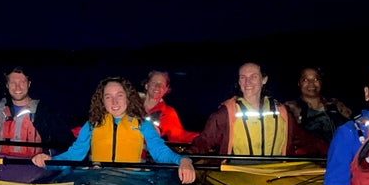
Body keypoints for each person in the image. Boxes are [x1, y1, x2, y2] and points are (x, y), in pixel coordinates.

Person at [31, 76, 196, 184]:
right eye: (108, 97)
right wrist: (49, 162)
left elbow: (160, 152)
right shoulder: (92, 125)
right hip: (98, 178)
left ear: (128, 97)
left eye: (120, 95)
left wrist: (183, 160)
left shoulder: (143, 125)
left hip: (132, 181)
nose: (115, 102)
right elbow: (75, 155)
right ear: (102, 101)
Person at [189, 62, 328, 157]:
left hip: (276, 170)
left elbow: (304, 139)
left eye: (253, 77)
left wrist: (333, 151)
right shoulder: (226, 112)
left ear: (264, 80)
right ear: (239, 82)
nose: (247, 82)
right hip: (239, 171)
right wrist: (186, 159)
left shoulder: (282, 112)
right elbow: (204, 141)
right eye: (243, 78)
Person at [0, 66, 75, 157]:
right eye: (13, 83)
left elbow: (68, 143)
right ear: (7, 85)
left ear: (29, 84)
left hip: (32, 167)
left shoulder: (44, 112)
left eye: (22, 82)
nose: (17, 87)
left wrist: (49, 154)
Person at [284, 67, 352, 143]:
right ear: (299, 83)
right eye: (305, 80)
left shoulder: (336, 106)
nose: (311, 83)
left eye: (316, 79)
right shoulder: (290, 109)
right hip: (307, 154)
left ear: (321, 83)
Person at [140, 70, 200, 144]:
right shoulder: (130, 104)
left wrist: (203, 137)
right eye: (154, 82)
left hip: (147, 153)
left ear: (166, 90)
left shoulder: (168, 113)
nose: (157, 86)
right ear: (146, 85)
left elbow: (180, 136)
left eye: (161, 84)